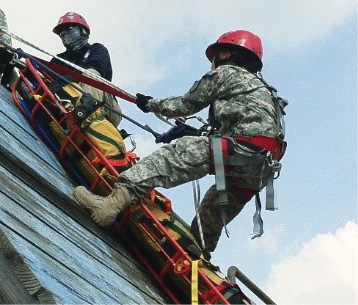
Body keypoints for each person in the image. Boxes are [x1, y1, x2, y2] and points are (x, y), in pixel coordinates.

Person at [74, 30, 287, 256]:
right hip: (261, 168)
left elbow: (185, 105)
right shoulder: (265, 93)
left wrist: (150, 103)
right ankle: (199, 254)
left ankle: (111, 204)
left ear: (225, 54)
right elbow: (253, 130)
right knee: (213, 208)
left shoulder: (227, 73)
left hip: (240, 148)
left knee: (172, 156)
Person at [51, 12, 121, 127]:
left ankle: (87, 113)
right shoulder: (59, 60)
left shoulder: (97, 49)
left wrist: (67, 79)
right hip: (74, 101)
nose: (65, 35)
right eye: (62, 33)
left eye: (69, 30)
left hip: (106, 107)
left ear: (83, 31)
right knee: (47, 80)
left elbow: (96, 69)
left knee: (91, 75)